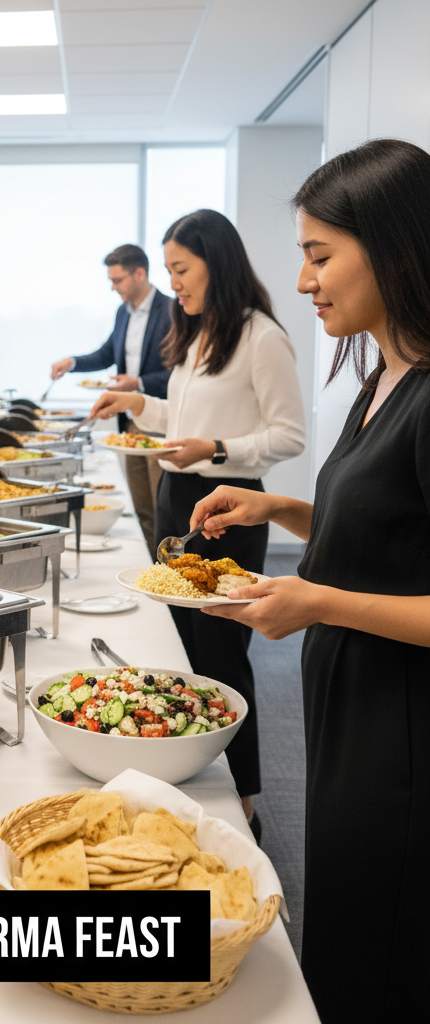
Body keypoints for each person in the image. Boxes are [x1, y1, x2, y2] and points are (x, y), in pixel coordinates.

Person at [187, 140, 429, 1024]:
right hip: (346, 713)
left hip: (399, 735)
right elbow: (392, 539)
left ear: (398, 246)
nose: (302, 280)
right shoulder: (380, 377)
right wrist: (281, 512)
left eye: (320, 255)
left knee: (382, 948)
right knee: (346, 929)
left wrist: (317, 600)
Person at [88, 210, 306, 829]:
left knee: (222, 652)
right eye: (169, 272)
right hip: (178, 496)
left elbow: (287, 435)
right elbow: (185, 419)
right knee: (182, 650)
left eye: (181, 270)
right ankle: (187, 776)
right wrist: (141, 406)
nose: (173, 285)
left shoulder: (260, 335)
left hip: (233, 507)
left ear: (218, 262)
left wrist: (216, 450)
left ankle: (243, 795)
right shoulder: (198, 331)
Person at [51, 244, 172, 549]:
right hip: (129, 425)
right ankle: (153, 572)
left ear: (140, 274)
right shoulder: (123, 312)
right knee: (141, 506)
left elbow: (181, 374)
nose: (113, 287)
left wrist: (139, 383)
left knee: (164, 511)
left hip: (161, 423)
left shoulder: (173, 311)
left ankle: (172, 579)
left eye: (117, 280)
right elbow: (106, 354)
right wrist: (73, 362)